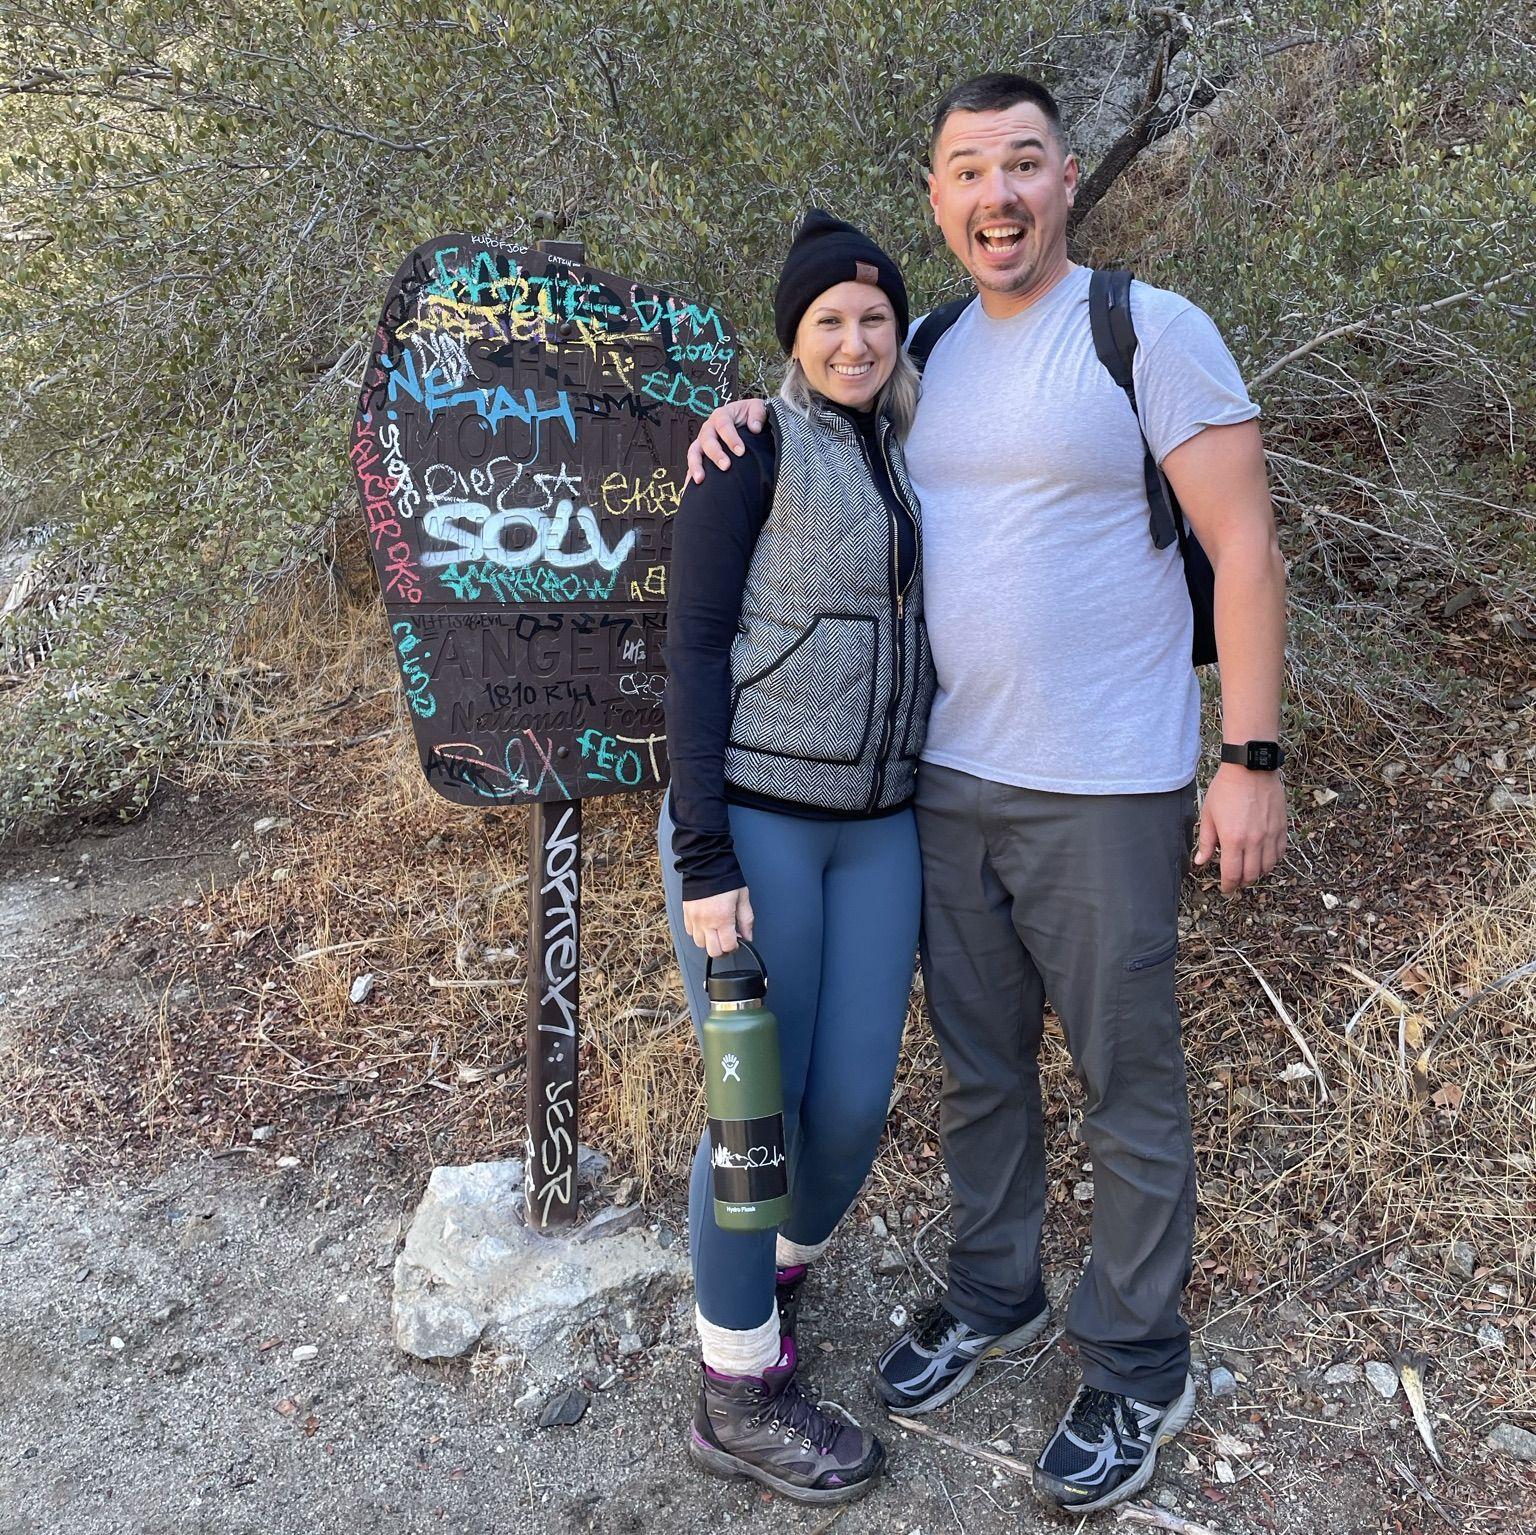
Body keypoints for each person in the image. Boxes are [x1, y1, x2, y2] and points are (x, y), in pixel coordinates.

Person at [686, 75, 1288, 1516]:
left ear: (1069, 179)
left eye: (1023, 164)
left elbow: (1248, 546)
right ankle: (992, 1289)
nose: (997, 193)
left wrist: (1250, 757)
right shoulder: (927, 355)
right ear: (941, 198)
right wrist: (734, 419)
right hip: (940, 788)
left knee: (1128, 1080)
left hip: (1109, 786)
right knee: (979, 1069)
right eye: (968, 171)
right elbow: (817, 449)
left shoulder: (1145, 330)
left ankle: (1138, 1359)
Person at [660, 209, 935, 1505]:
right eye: (829, 320)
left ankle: (763, 1273)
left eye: (874, 317)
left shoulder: (913, 447)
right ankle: (737, 1394)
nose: (855, 338)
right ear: (794, 337)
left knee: (852, 1114)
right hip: (759, 827)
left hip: (880, 829)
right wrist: (706, 856)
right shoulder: (750, 448)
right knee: (754, 1126)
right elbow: (696, 649)